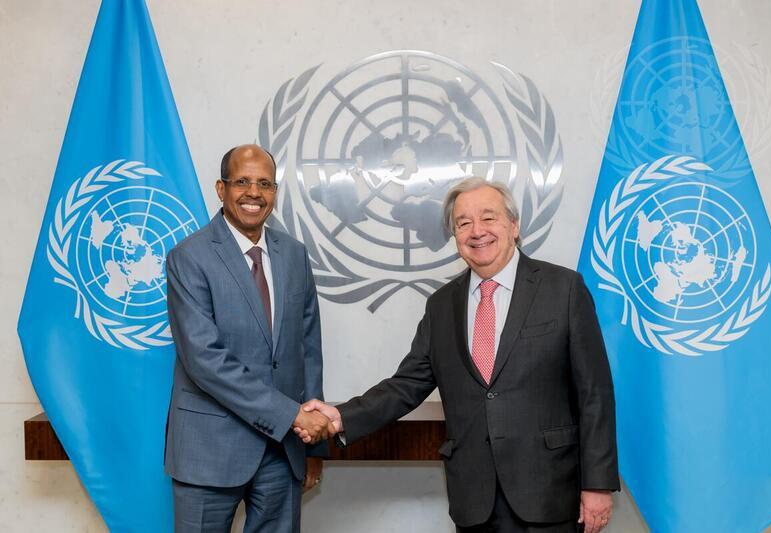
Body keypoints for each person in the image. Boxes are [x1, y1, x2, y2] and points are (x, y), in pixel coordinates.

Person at [298, 177, 619, 533]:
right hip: (474, 497)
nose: (476, 231)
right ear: (455, 237)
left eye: (488, 218)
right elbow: (406, 385)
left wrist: (597, 484)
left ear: (513, 225)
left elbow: (595, 394)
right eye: (463, 223)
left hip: (549, 491)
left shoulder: (564, 289)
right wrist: (340, 416)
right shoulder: (441, 306)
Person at [165, 144, 335, 533]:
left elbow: (309, 350)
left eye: (264, 184)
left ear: (275, 192)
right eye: (241, 182)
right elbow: (204, 360)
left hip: (283, 452)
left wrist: (313, 446)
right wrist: (291, 415)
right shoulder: (188, 257)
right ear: (220, 189)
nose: (254, 193)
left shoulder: (294, 254)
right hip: (208, 450)